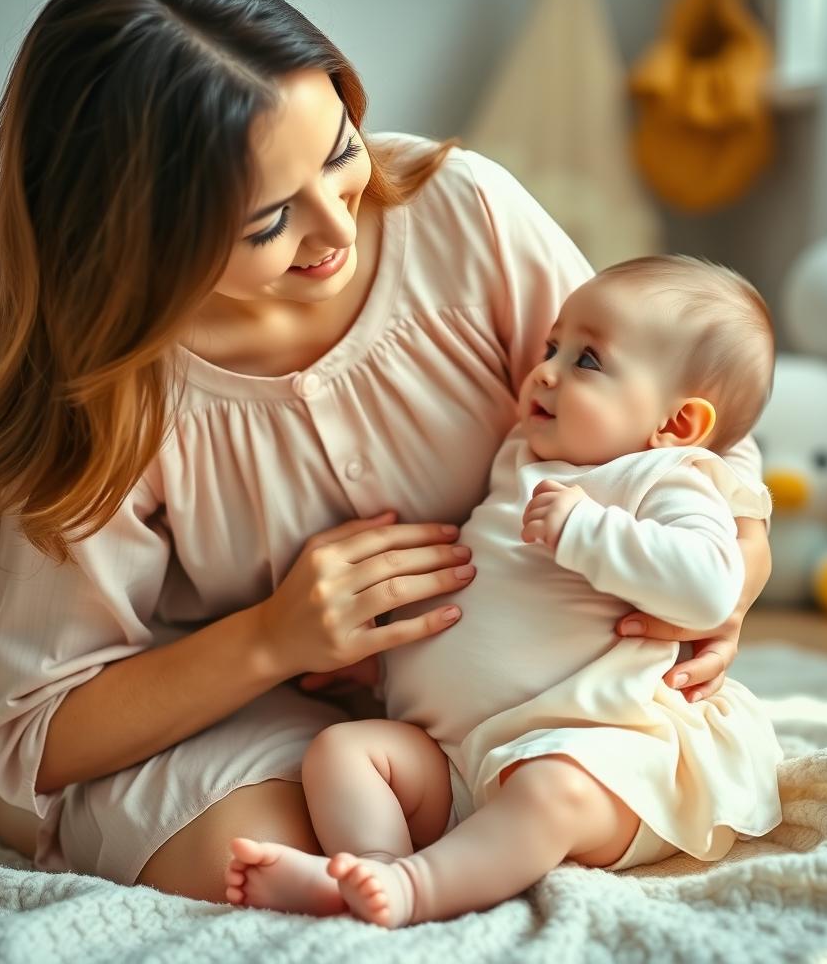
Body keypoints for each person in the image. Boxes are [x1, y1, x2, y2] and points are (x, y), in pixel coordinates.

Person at [0, 0, 771, 906]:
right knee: (269, 846)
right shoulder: (109, 390)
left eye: (341, 150)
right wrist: (273, 640)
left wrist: (731, 586)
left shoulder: (462, 214)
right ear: (133, 234)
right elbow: (42, 727)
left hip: (513, 700)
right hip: (237, 709)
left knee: (554, 799)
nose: (337, 228)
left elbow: (686, 426)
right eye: (269, 220)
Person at [222, 256, 783, 927]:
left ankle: (420, 889)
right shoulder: (524, 453)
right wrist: (387, 659)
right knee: (343, 753)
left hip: (602, 752)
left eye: (589, 361)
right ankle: (371, 865)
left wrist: (587, 532)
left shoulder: (663, 477)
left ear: (678, 425)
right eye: (552, 347)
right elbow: (497, 595)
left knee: (550, 793)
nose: (545, 369)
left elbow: (710, 588)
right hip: (461, 759)